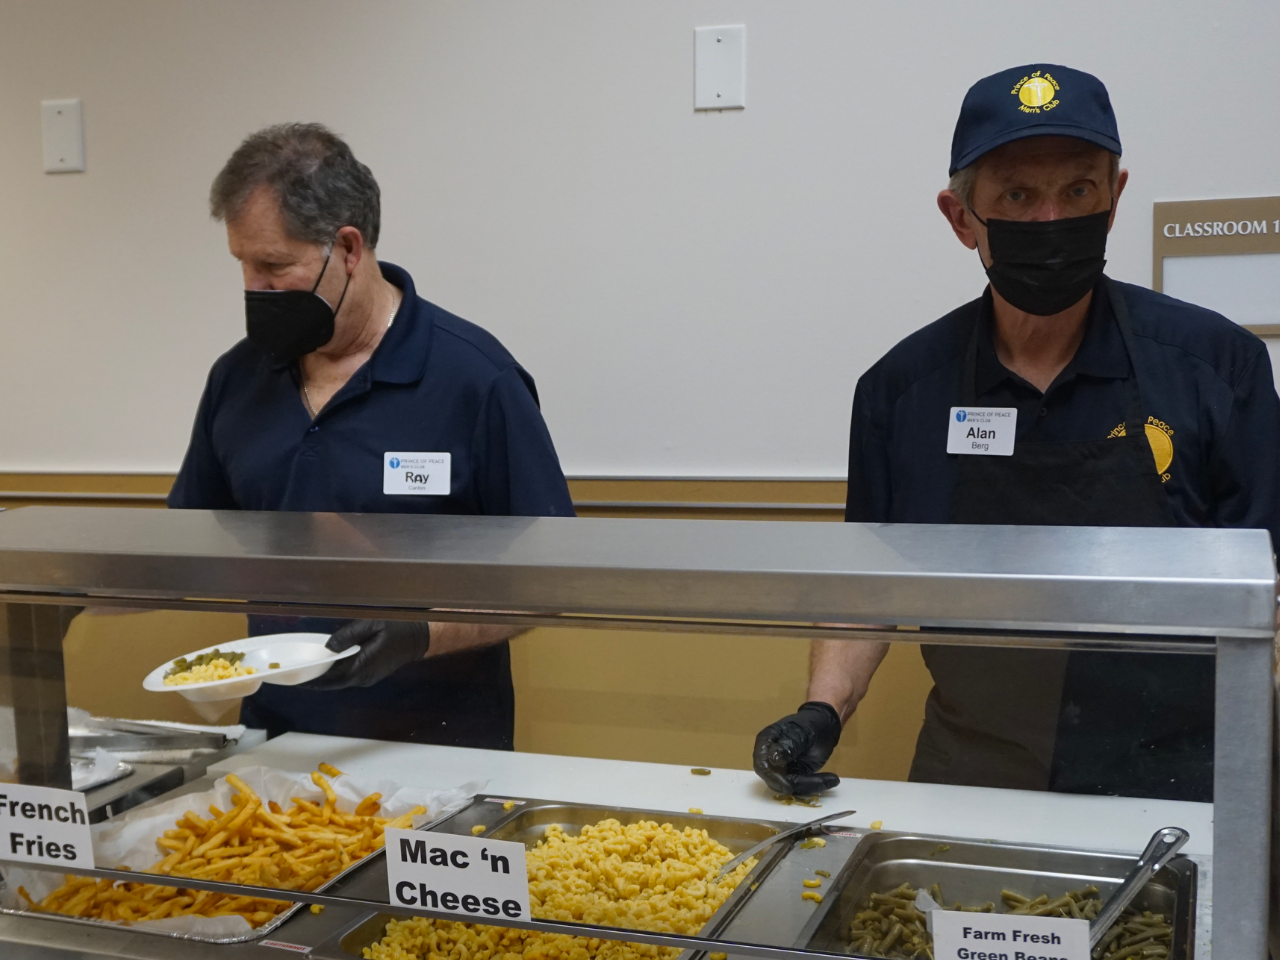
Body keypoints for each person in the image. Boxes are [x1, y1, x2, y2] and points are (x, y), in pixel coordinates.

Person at [754, 64, 1280, 803]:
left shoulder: (1217, 368)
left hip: (1177, 774)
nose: (1050, 221)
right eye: (1017, 196)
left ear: (1115, 197)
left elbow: (1266, 589)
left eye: (1079, 191)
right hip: (975, 769)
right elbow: (869, 586)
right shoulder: (900, 393)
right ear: (961, 217)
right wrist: (821, 712)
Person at [168, 123, 575, 750]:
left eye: (274, 265)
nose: (253, 286)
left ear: (348, 248)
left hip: (440, 753)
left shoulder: (474, 379)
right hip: (275, 747)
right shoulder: (238, 378)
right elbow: (182, 546)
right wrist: (72, 593)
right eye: (242, 264)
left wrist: (421, 635)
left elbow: (547, 580)